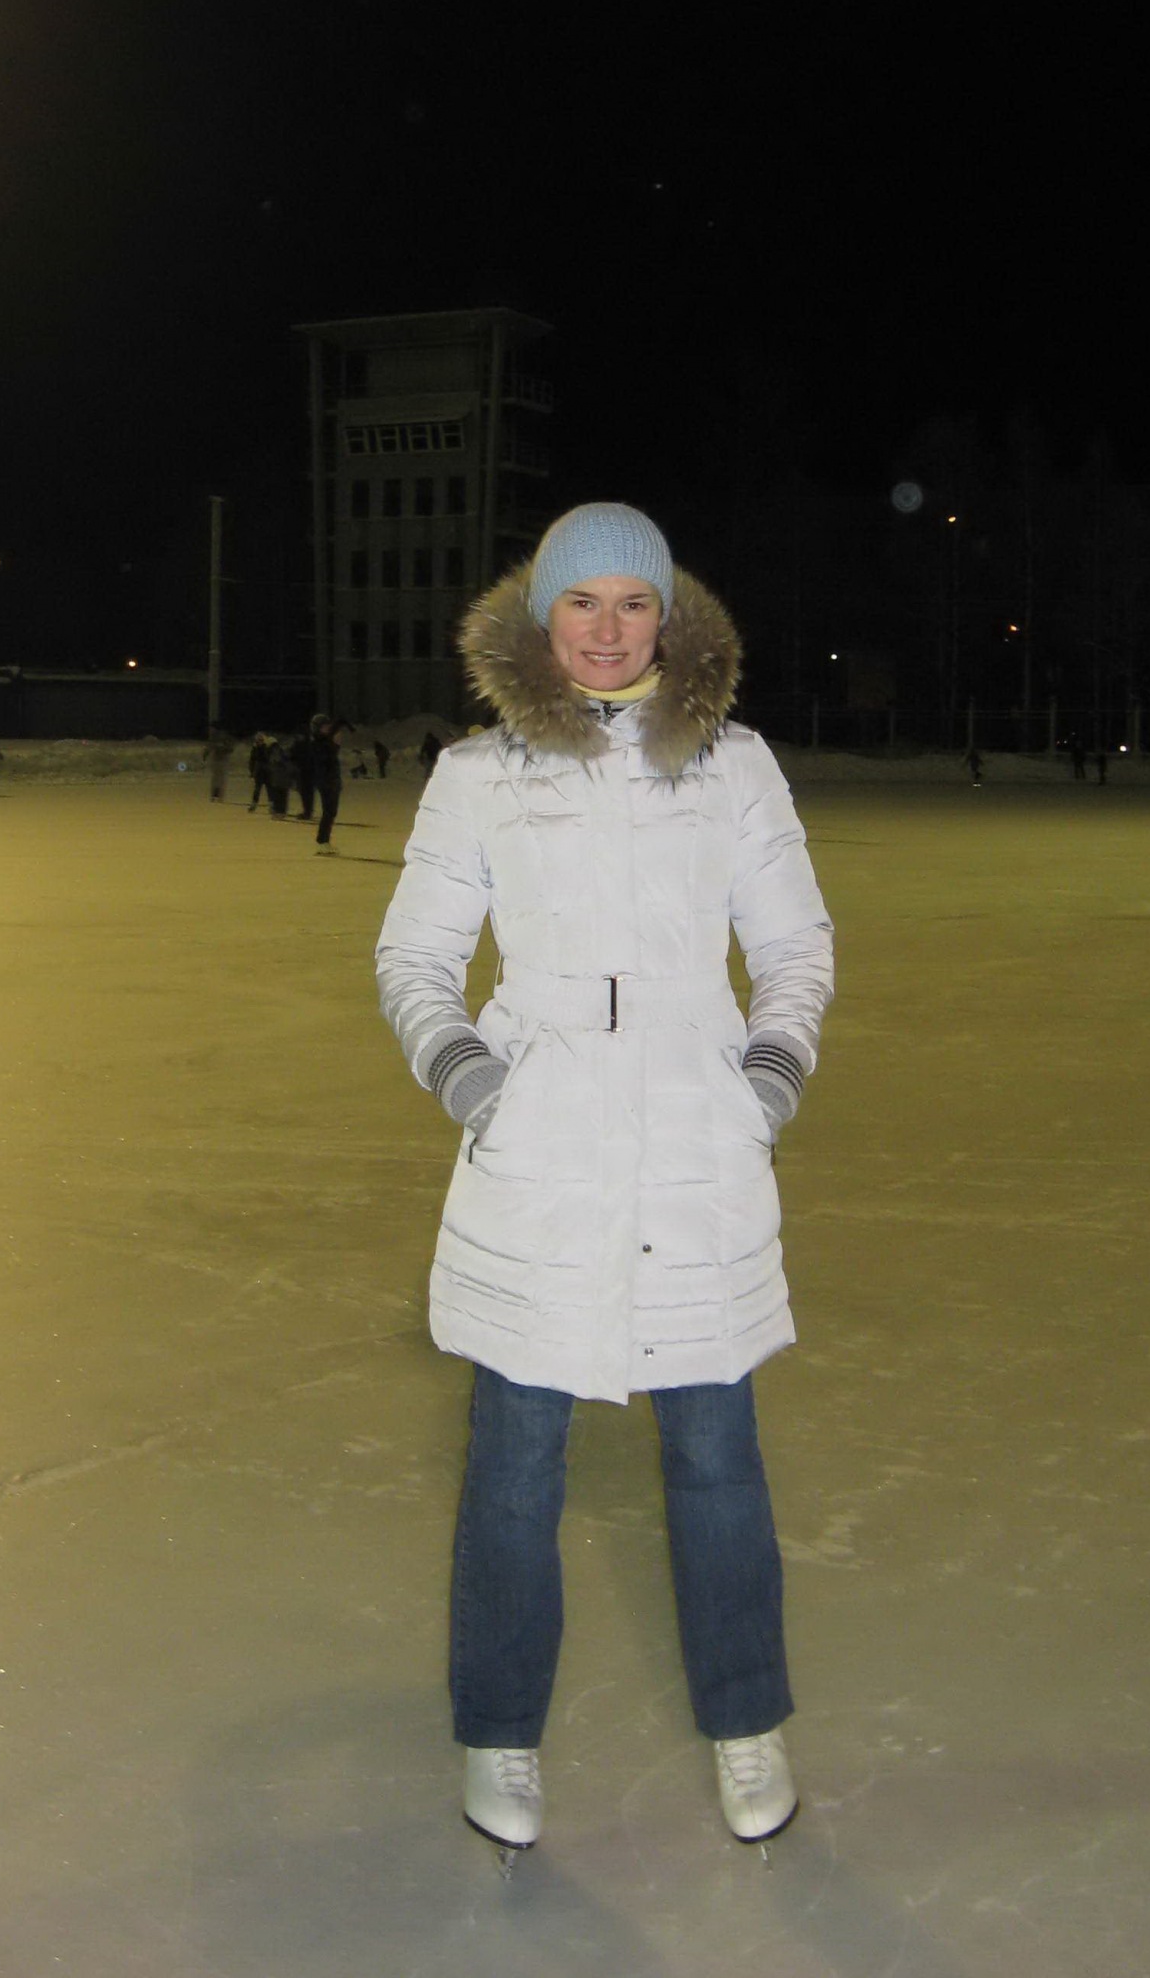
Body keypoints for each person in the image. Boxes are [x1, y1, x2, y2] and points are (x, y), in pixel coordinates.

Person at [376, 502, 834, 1860]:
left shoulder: (733, 765)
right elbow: (414, 956)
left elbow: (795, 947)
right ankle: (498, 1731)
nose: (607, 627)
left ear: (668, 621)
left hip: (694, 1143)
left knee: (715, 1456)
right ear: (540, 616)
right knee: (513, 1466)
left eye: (634, 602)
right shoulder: (480, 773)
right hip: (543, 1150)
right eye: (581, 601)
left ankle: (746, 1722)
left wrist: (763, 1083)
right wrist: (477, 1081)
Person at [309, 713, 347, 854]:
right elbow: (326, 759)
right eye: (325, 726)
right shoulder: (318, 742)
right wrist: (335, 745)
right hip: (326, 781)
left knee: (331, 811)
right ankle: (323, 841)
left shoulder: (323, 740)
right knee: (329, 811)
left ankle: (324, 841)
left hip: (330, 780)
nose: (328, 728)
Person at [203, 722, 233, 801]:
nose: (210, 730)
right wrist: (205, 754)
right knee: (216, 778)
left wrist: (222, 748)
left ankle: (219, 796)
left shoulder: (223, 737)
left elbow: (230, 748)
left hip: (223, 760)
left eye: (211, 728)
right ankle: (215, 795)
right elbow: (209, 747)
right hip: (216, 760)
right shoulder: (213, 737)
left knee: (220, 778)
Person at [247, 732, 272, 811]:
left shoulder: (266, 747)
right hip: (260, 771)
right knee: (258, 788)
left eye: (260, 740)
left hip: (266, 771)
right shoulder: (256, 748)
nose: (259, 742)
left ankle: (271, 805)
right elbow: (252, 760)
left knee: (269, 789)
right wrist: (251, 771)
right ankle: (254, 803)